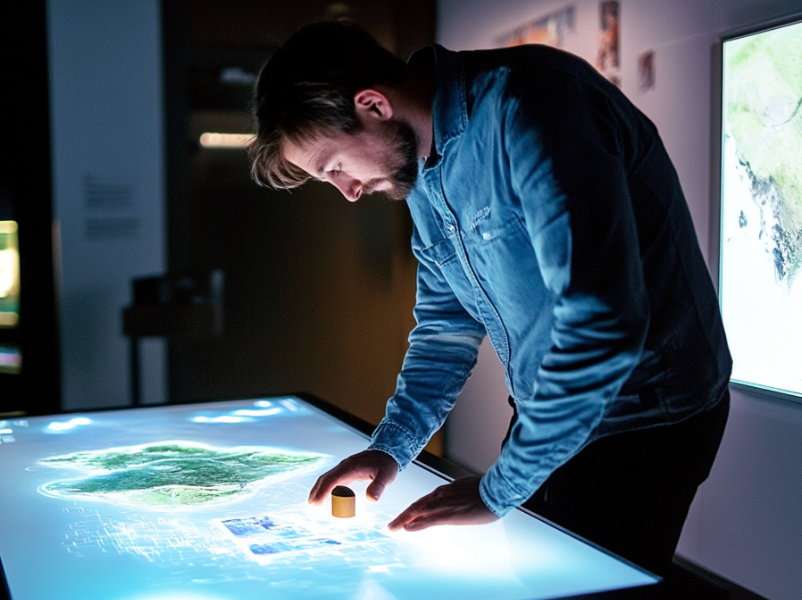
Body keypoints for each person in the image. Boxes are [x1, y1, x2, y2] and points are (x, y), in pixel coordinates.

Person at [249, 22, 731, 575]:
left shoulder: (532, 105)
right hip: (550, 407)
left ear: (373, 105)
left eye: (335, 167)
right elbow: (442, 330)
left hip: (646, 417)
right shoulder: (419, 171)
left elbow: (603, 326)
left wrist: (499, 490)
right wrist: (391, 448)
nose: (349, 191)